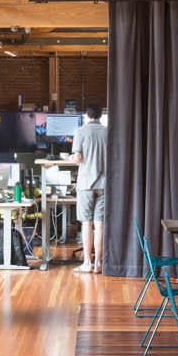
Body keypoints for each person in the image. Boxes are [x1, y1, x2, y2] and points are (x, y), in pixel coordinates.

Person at [71, 107, 109, 274]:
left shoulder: (80, 131)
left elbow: (78, 157)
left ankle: (87, 263)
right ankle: (99, 263)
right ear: (100, 115)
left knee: (87, 223)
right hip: (104, 184)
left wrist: (72, 158)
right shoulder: (108, 132)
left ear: (87, 116)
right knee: (100, 225)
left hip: (86, 184)